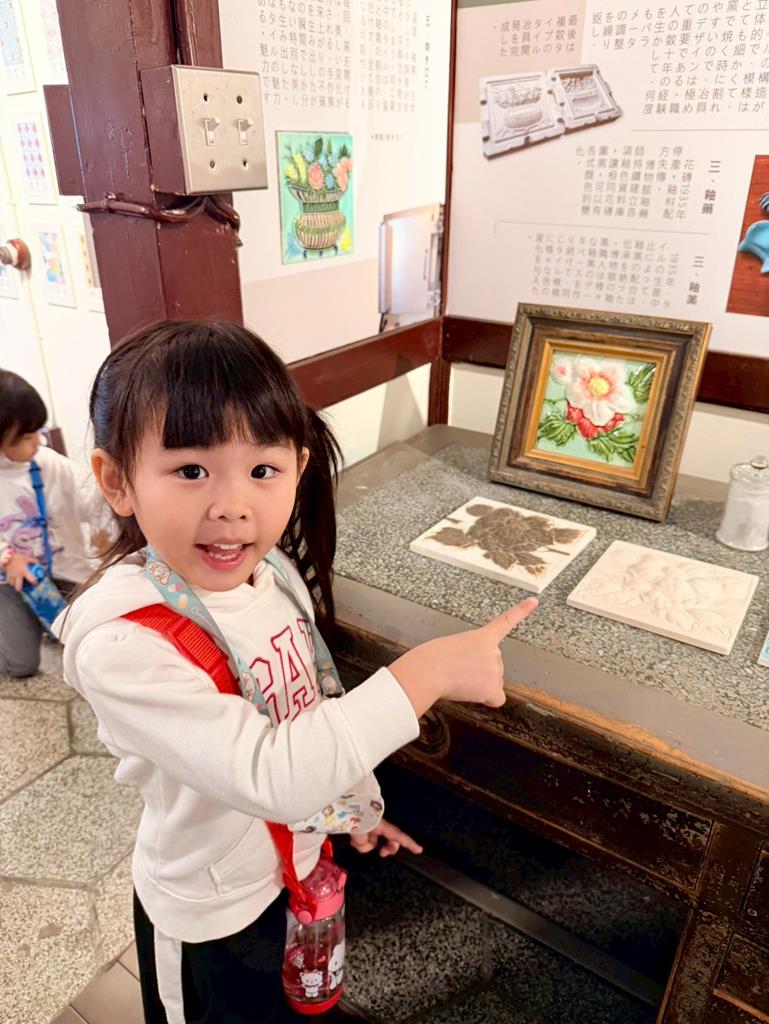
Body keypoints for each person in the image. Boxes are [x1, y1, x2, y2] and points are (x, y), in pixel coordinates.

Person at [58, 320, 538, 1024]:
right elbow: (269, 772)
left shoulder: (273, 572)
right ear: (116, 481)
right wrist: (425, 673)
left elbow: (305, 708)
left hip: (289, 870)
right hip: (209, 911)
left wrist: (352, 810)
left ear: (299, 466)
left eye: (263, 470)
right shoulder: (126, 644)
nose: (232, 505)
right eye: (190, 471)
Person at [0, 369, 104, 678]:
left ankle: (46, 621)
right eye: (24, 438)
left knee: (95, 634)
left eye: (37, 431)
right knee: (21, 665)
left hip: (63, 569)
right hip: (9, 581)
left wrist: (107, 529)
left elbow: (94, 498)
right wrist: (8, 558)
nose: (38, 441)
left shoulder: (48, 463)